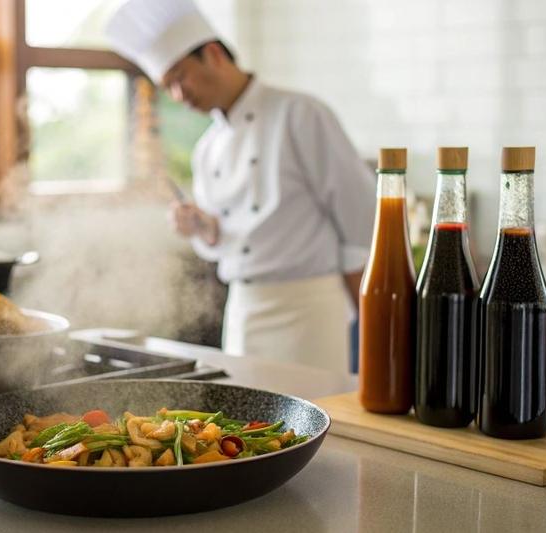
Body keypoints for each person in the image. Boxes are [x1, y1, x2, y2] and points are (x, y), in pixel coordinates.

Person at [106, 0, 375, 373]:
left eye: (180, 78)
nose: (179, 96)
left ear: (213, 54)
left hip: (309, 308)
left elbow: (361, 216)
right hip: (244, 309)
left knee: (315, 409)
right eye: (169, 88)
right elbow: (225, 238)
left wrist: (369, 314)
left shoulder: (300, 114)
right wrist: (202, 228)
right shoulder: (207, 148)